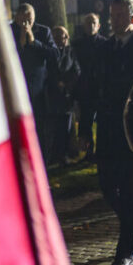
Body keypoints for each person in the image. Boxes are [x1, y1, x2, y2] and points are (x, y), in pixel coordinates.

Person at [86, 0, 133, 265]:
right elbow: (92, 88)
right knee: (107, 186)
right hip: (107, 129)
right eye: (112, 15)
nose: (115, 20)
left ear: (132, 18)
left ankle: (125, 252)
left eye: (121, 16)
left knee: (131, 194)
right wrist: (85, 129)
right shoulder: (104, 49)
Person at [11, 3, 58, 162]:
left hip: (38, 90)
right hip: (14, 89)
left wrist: (34, 42)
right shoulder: (8, 31)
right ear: (16, 17)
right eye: (23, 19)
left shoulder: (43, 31)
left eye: (29, 19)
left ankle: (39, 162)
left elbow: (54, 54)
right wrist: (21, 44)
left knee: (38, 128)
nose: (26, 24)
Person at [73, 13, 106, 161]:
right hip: (85, 87)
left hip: (100, 88)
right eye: (88, 23)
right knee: (85, 121)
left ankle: (101, 150)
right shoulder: (77, 44)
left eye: (94, 23)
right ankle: (88, 150)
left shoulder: (105, 44)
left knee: (102, 122)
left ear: (98, 26)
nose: (91, 25)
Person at [49, 25, 81, 166]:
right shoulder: (50, 52)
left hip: (66, 95)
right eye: (56, 36)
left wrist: (67, 84)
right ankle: (53, 155)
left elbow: (76, 70)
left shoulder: (71, 52)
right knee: (52, 127)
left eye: (62, 36)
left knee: (65, 127)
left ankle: (63, 154)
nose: (59, 39)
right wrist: (56, 82)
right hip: (51, 95)